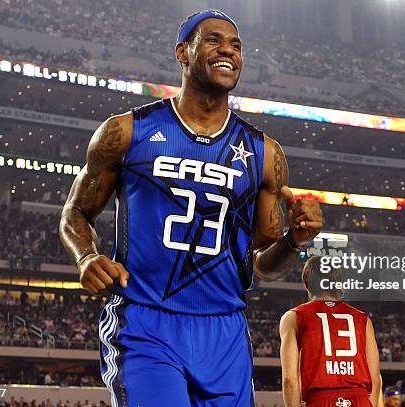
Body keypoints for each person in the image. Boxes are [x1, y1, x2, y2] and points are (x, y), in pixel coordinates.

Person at [59, 9, 323, 407]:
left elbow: (264, 266)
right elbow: (75, 213)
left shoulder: (266, 154)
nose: (229, 51)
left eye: (236, 45)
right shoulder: (125, 132)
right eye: (214, 40)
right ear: (183, 53)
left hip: (225, 330)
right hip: (146, 319)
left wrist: (295, 238)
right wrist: (87, 256)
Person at [279, 256, 381, 406]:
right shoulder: (363, 319)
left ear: (306, 284)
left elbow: (289, 380)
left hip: (321, 399)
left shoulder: (293, 316)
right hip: (360, 399)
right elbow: (375, 378)